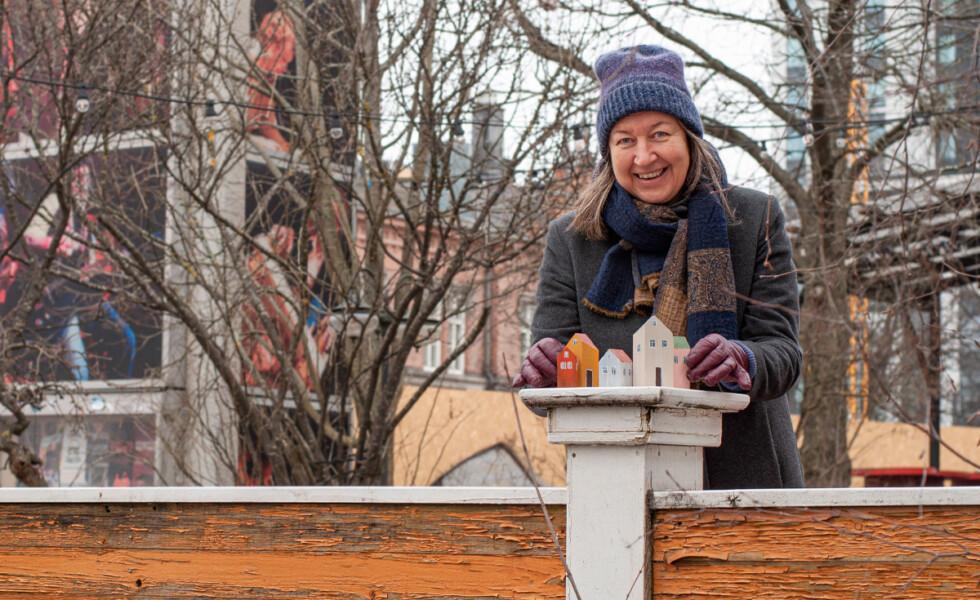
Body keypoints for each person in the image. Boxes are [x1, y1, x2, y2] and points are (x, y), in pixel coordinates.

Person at [512, 45, 804, 489]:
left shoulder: (753, 219)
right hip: (615, 484)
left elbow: (783, 354)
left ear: (689, 136)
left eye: (660, 134)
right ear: (608, 151)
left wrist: (740, 357)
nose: (644, 156)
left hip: (744, 478)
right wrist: (548, 373)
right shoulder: (572, 239)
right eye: (625, 140)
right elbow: (549, 373)